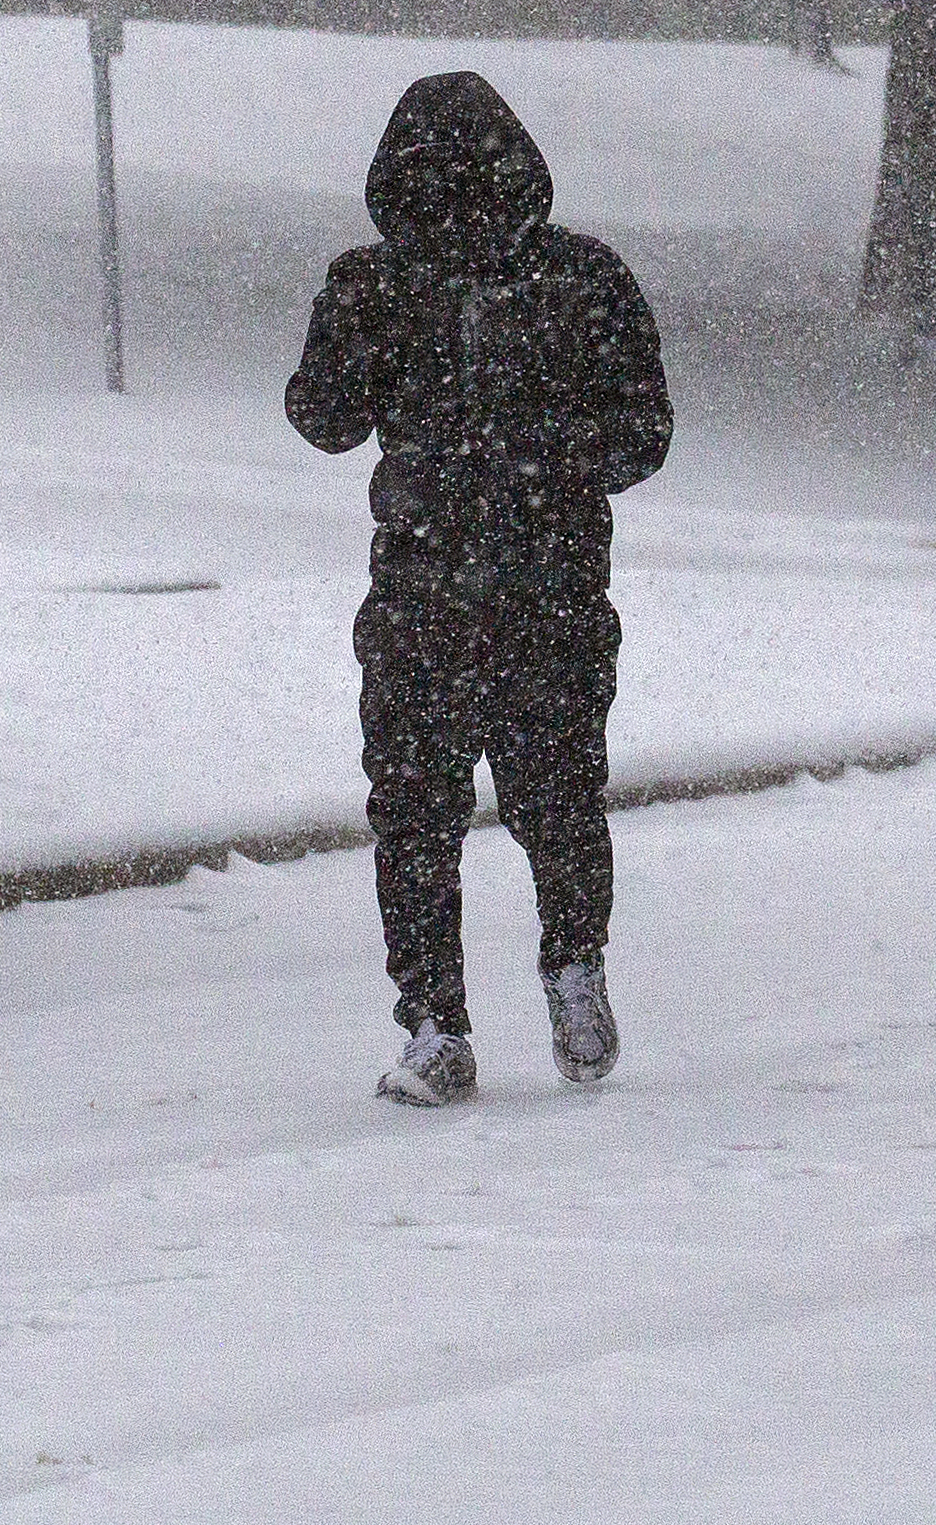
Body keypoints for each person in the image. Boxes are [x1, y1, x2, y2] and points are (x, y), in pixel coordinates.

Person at [287, 68, 673, 1104]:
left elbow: (644, 429)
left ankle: (512, 990)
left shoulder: (561, 279)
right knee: (476, 803)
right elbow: (324, 416)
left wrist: (528, 457)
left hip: (507, 591)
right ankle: (485, 1002)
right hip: (472, 593)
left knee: (500, 804)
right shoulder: (403, 285)